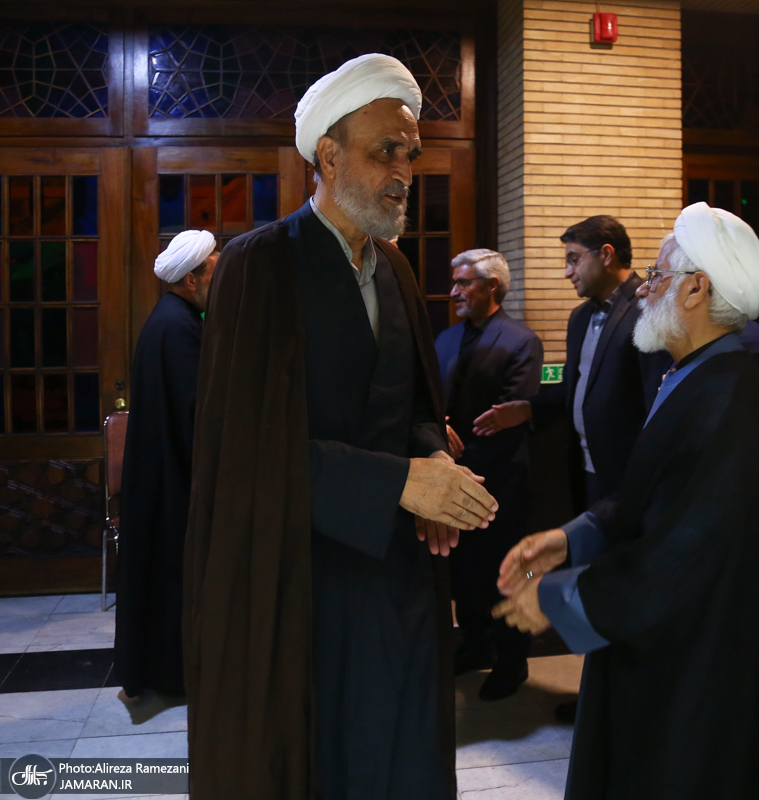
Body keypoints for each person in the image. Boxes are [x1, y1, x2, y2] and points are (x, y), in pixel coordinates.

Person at [183, 54, 498, 800]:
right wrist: (399, 484)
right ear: (328, 156)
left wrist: (433, 463)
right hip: (302, 583)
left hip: (399, 581)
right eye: (385, 150)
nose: (404, 172)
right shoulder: (260, 266)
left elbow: (413, 407)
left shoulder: (396, 270)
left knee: (404, 756)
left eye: (411, 153)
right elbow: (245, 449)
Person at [493, 202, 759, 800]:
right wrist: (571, 537)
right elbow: (650, 493)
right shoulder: (696, 371)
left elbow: (684, 552)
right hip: (664, 652)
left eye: (657, 276)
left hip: (695, 671)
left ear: (696, 289)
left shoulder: (733, 392)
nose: (645, 288)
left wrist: (561, 599)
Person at [473, 215, 671, 721]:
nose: (566, 272)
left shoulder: (646, 309)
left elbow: (656, 405)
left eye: (572, 259)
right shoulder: (581, 317)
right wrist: (528, 408)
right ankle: (599, 698)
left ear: (606, 254)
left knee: (624, 590)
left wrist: (641, 482)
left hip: (627, 483)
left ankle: (630, 704)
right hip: (586, 474)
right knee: (594, 584)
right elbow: (575, 389)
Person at [114, 230, 218, 706]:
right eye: (214, 271)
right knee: (173, 578)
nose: (220, 280)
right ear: (192, 279)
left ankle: (164, 672)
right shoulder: (178, 327)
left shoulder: (174, 318)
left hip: (162, 475)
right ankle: (173, 675)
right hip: (171, 480)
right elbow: (197, 412)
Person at [435, 248, 543, 700]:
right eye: (455, 282)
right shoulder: (446, 339)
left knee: (503, 572)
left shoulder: (520, 341)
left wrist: (463, 455)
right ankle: (475, 643)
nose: (454, 291)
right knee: (463, 571)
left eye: (464, 283)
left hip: (500, 479)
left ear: (492, 285)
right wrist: (437, 431)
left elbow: (509, 415)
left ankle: (512, 660)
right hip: (451, 476)